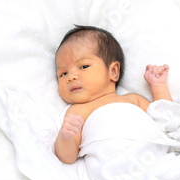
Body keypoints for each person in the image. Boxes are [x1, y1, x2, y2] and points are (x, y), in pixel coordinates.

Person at [54, 25, 172, 164]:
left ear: (113, 71)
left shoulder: (133, 99)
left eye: (84, 66)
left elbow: (168, 119)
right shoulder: (77, 112)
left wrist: (158, 86)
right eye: (63, 74)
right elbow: (68, 158)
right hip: (113, 165)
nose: (71, 77)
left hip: (155, 156)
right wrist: (65, 138)